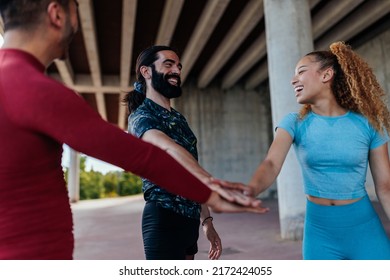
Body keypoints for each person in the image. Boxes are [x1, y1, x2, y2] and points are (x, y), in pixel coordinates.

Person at [0, 0, 267, 260]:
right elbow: (144, 156)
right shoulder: (34, 89)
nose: (77, 25)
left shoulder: (17, 82)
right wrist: (211, 192)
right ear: (56, 14)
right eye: (76, 11)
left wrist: (205, 213)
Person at [237, 41, 390, 259]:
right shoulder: (294, 122)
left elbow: (385, 187)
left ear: (326, 75)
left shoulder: (368, 124)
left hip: (364, 228)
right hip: (320, 233)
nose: (293, 80)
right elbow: (271, 163)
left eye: (301, 72)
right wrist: (250, 190)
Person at [124, 45, 247, 260]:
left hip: (189, 221)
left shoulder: (179, 119)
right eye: (168, 64)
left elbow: (191, 171)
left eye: (179, 66)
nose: (177, 71)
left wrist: (206, 221)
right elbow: (169, 148)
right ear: (146, 72)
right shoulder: (141, 116)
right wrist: (212, 184)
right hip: (163, 218)